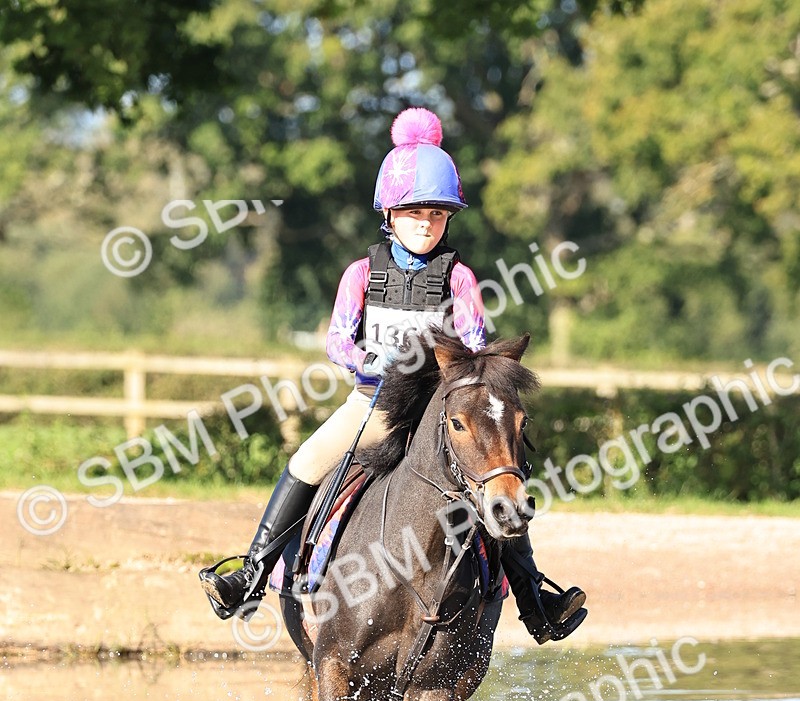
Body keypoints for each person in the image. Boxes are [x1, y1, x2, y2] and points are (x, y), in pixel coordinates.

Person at [199, 107, 587, 643]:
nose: (426, 223)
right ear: (390, 214)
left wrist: (473, 378)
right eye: (413, 212)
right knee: (306, 461)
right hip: (374, 405)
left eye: (437, 213)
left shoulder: (460, 278)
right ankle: (253, 573)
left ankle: (533, 600)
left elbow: (475, 347)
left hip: (440, 414)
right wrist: (366, 360)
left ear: (449, 217)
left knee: (498, 482)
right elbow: (336, 338)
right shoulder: (361, 274)